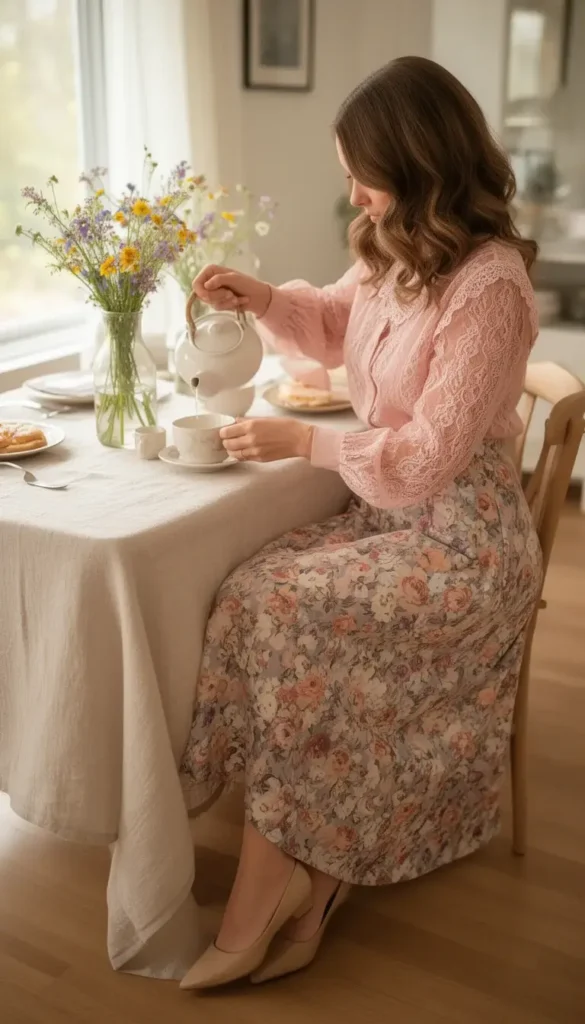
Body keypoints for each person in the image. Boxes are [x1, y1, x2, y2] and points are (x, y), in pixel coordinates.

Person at [179, 55, 542, 990]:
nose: (353, 193)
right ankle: (308, 871)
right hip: (387, 514)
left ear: (418, 164)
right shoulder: (396, 246)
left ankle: (271, 888)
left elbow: (427, 456)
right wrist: (265, 298)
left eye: (363, 174)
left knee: (291, 613)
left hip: (463, 541)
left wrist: (302, 444)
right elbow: (338, 321)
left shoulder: (489, 285)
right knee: (249, 591)